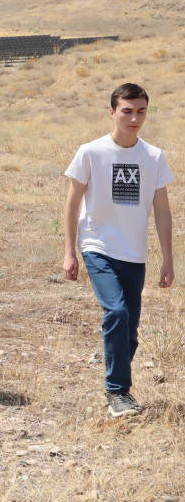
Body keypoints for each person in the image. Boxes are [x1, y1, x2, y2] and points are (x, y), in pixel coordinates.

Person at [63, 83, 174, 417]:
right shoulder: (91, 152)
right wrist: (70, 251)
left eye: (141, 110)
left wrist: (168, 259)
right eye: (127, 110)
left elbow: (163, 211)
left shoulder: (153, 157)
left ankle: (118, 384)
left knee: (130, 331)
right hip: (97, 246)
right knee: (116, 313)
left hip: (134, 253)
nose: (134, 117)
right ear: (112, 112)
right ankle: (118, 392)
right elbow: (72, 204)